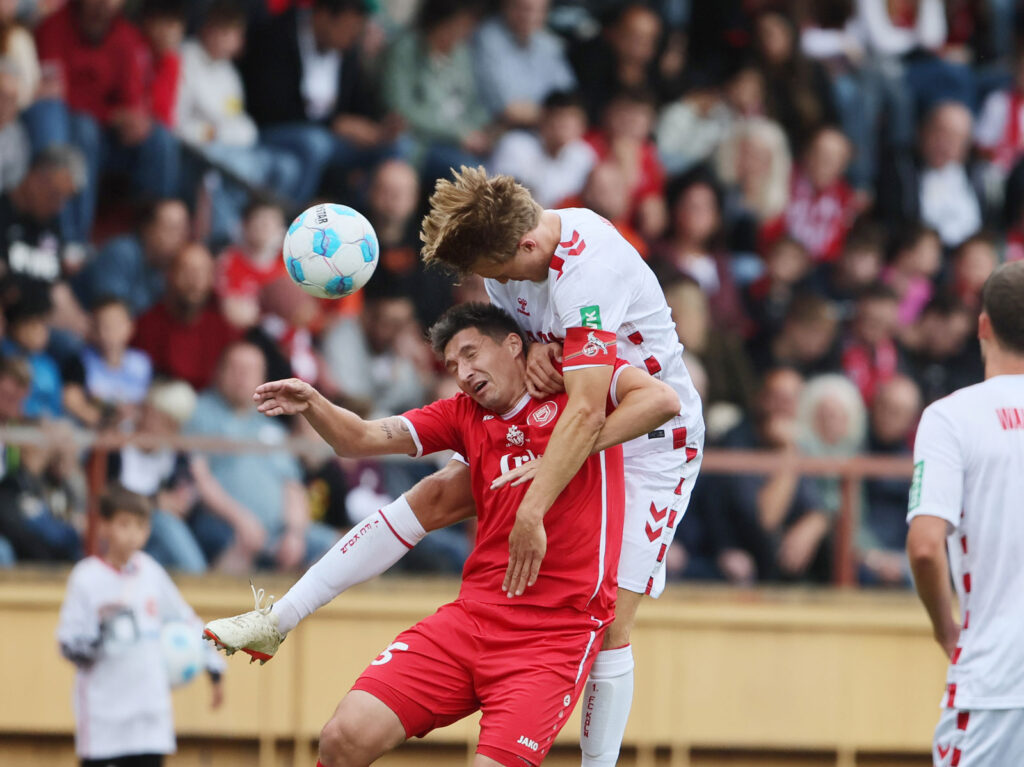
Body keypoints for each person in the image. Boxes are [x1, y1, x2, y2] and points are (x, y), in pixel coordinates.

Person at [203, 302, 682, 767]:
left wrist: (562, 453)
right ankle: (277, 620)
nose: (463, 371)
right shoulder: (462, 413)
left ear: (515, 344)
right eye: (453, 364)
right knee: (342, 738)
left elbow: (662, 400)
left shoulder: (577, 383)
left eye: (471, 354)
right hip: (472, 619)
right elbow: (360, 438)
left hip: (551, 638)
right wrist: (313, 402)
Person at [419, 166, 704, 766]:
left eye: (499, 271)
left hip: (650, 439)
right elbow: (535, 355)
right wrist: (544, 350)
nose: (497, 285)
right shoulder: (508, 269)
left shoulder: (589, 270)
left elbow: (588, 409)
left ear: (527, 244)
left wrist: (535, 505)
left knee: (609, 626)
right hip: (568, 426)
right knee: (440, 493)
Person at [906, 260, 1024, 765]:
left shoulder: (952, 417)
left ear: (983, 325)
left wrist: (944, 627)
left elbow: (926, 545)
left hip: (995, 683)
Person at [56, 485, 224, 767]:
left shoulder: (150, 573)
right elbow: (68, 642)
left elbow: (185, 619)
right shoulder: (86, 578)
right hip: (105, 721)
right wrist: (100, 634)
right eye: (124, 524)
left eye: (140, 526)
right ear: (105, 526)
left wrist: (213, 665)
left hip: (149, 717)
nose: (133, 534)